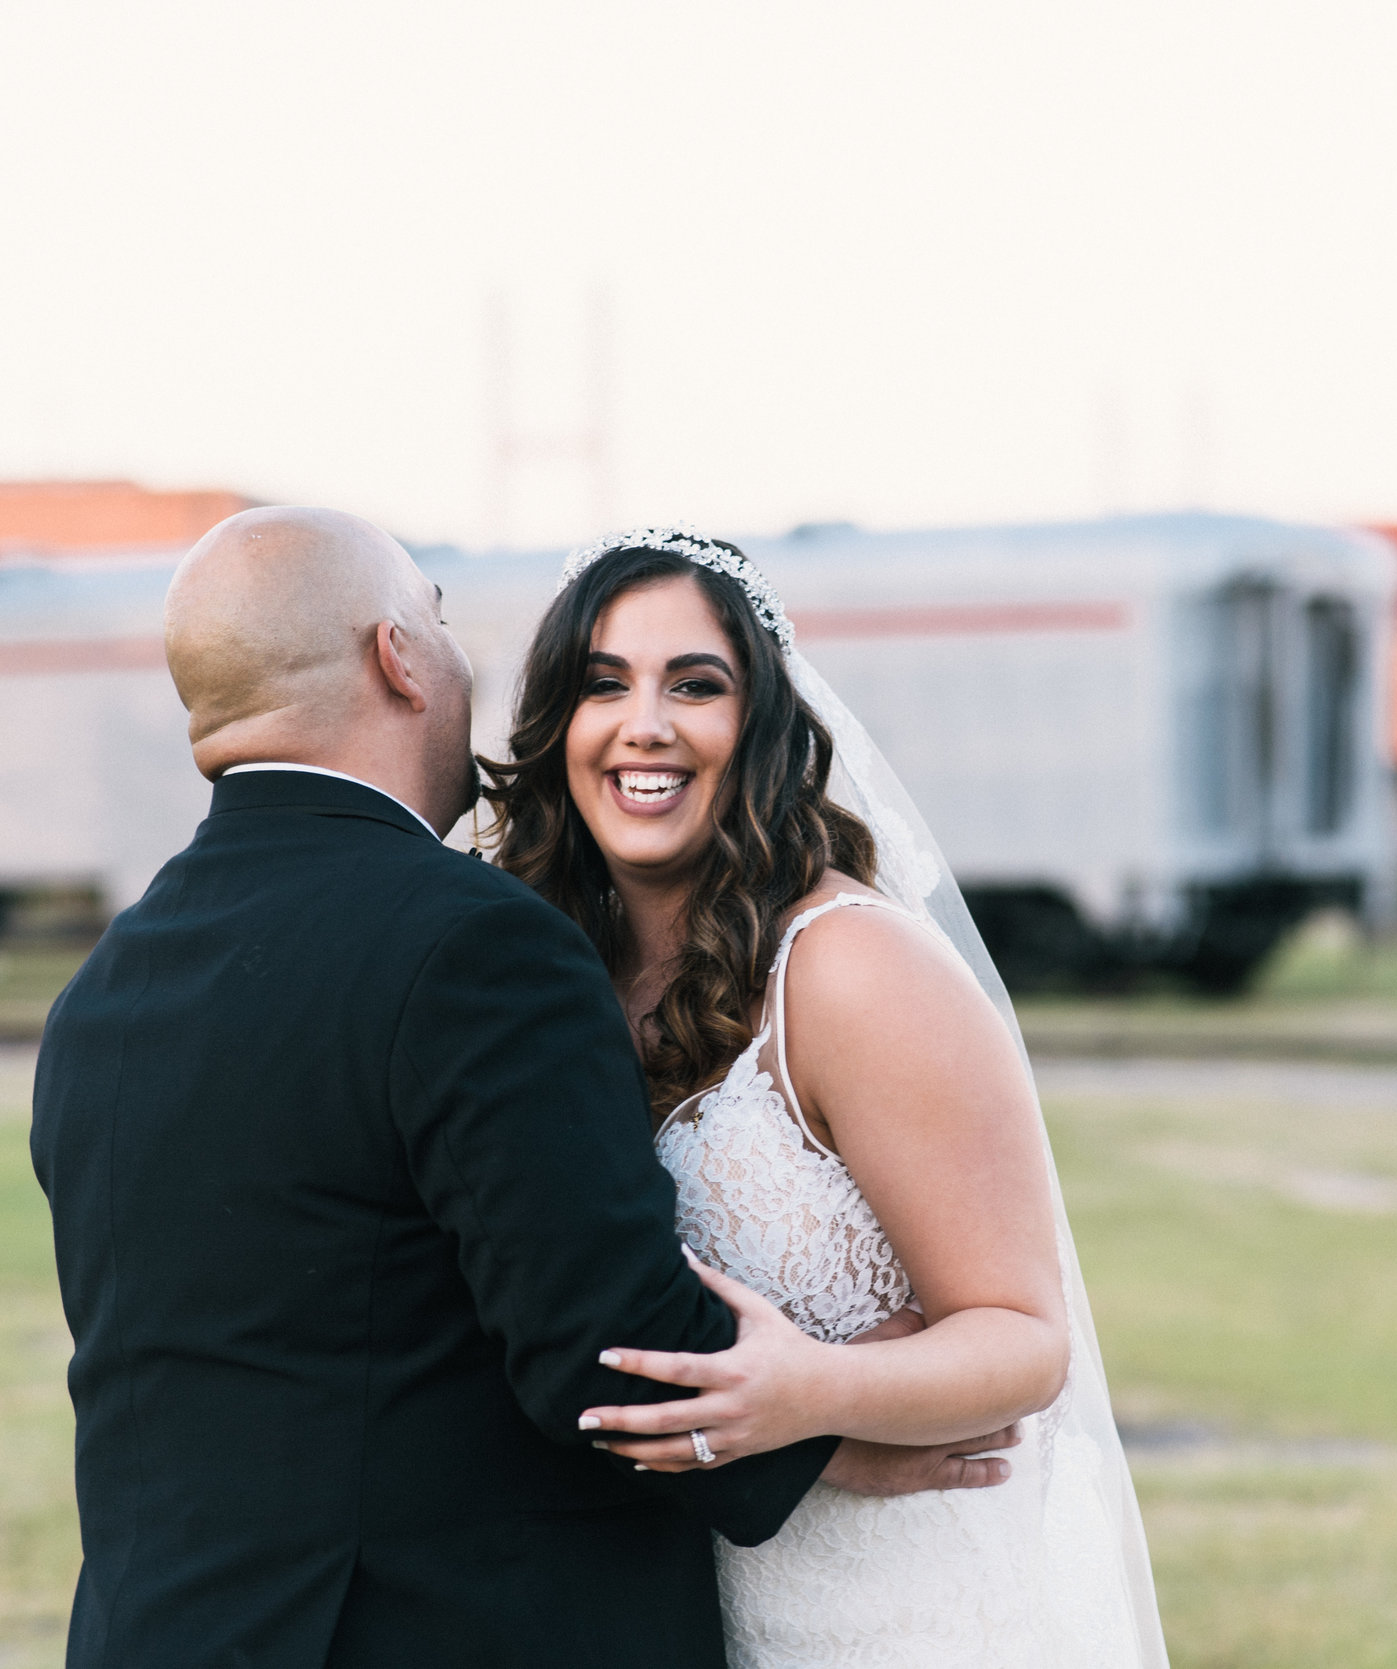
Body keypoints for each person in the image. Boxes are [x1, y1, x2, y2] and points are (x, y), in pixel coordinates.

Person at [29, 507, 1001, 1669]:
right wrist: (828, 1431)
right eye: (438, 621)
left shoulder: (108, 985)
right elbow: (597, 1331)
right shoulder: (470, 944)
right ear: (397, 656)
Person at [482, 528, 1171, 1666]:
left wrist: (815, 1393)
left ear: (757, 727)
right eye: (602, 683)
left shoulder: (852, 969)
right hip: (689, 1600)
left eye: (693, 685)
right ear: (558, 724)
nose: (643, 723)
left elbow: (1021, 1341)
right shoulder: (545, 978)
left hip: (911, 1608)